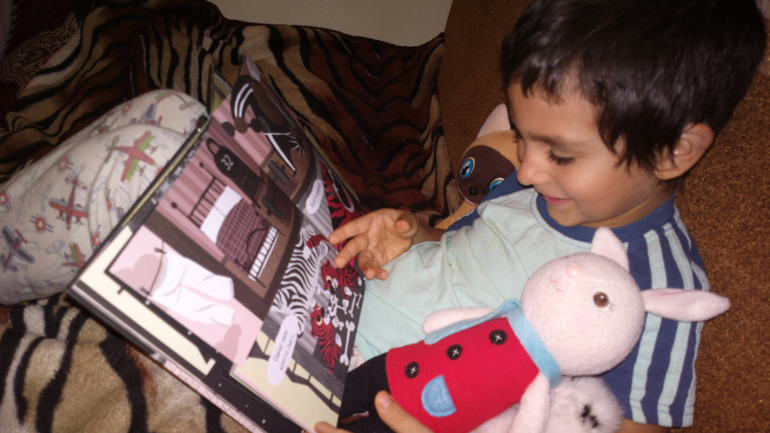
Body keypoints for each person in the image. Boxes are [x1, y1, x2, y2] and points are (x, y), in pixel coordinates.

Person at [328, 0, 767, 431]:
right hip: (334, 314)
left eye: (560, 154)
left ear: (673, 152)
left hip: (379, 401)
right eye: (520, 136)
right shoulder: (538, 186)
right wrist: (412, 234)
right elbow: (462, 248)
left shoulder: (657, 287)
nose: (526, 170)